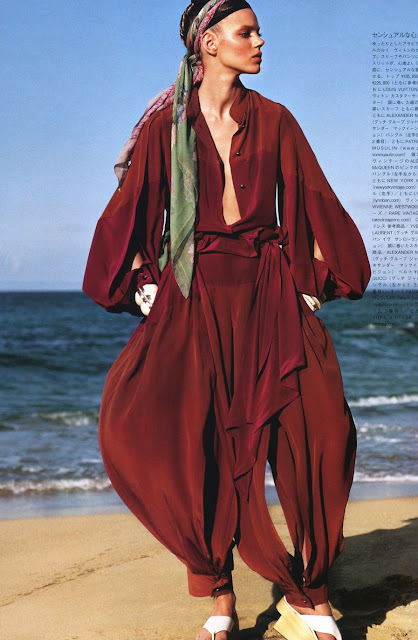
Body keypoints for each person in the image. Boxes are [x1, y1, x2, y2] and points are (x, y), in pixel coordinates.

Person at [82, 1, 371, 639]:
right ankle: (219, 592)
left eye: (259, 31)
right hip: (195, 295)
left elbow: (313, 200)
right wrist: (143, 283)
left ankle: (310, 591)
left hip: (270, 289)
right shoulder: (167, 129)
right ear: (209, 43)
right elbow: (132, 210)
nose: (260, 41)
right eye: (247, 32)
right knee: (196, 441)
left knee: (319, 429)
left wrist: (317, 282)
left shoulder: (276, 120)